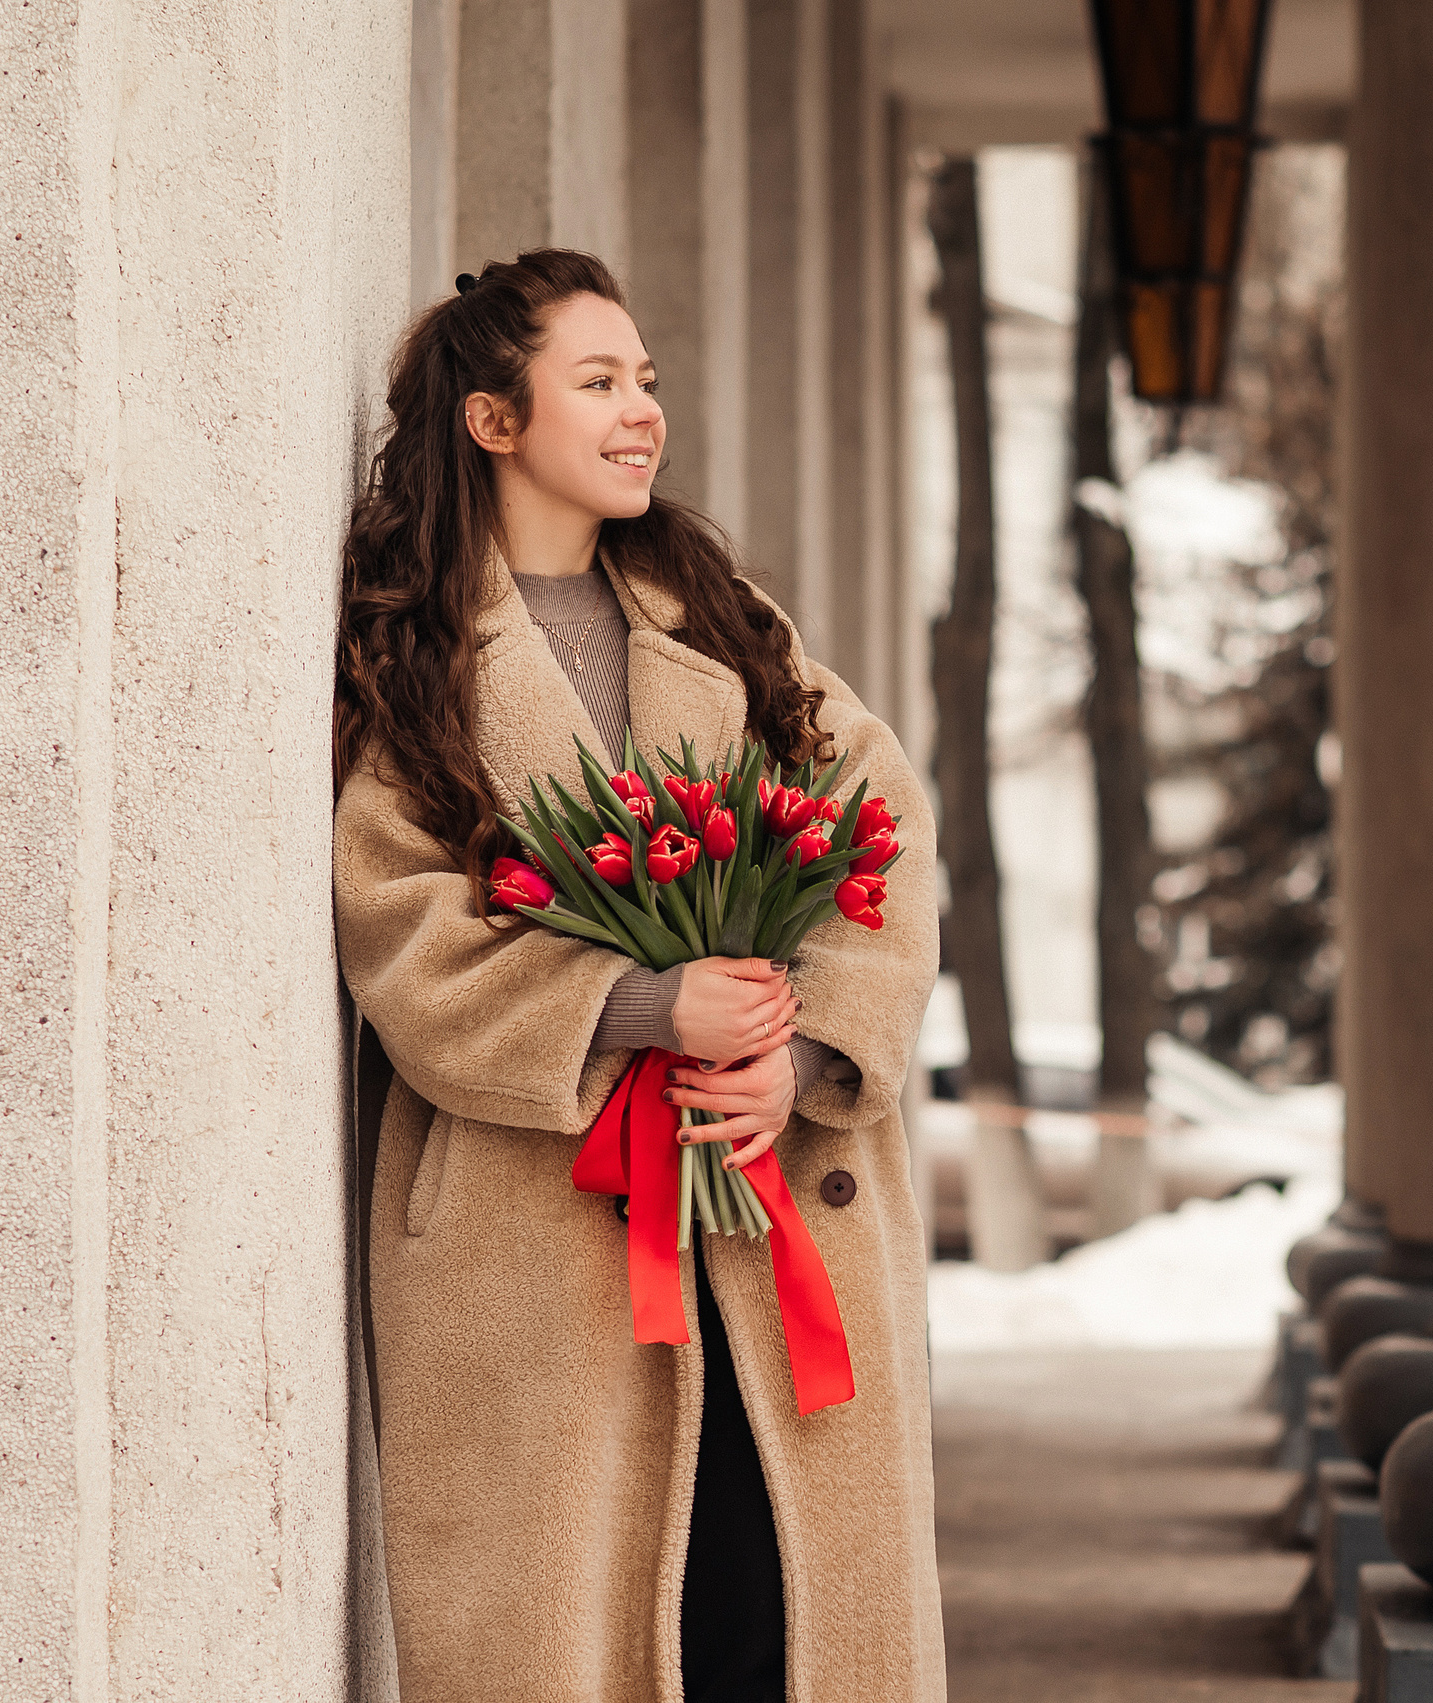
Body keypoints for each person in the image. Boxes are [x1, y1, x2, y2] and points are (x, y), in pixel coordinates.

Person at [331, 248, 944, 1703]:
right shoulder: (417, 657)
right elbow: (397, 922)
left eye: (647, 382)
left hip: (768, 1175)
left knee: (776, 1611)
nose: (640, 412)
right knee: (575, 1627)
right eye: (598, 382)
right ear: (493, 420)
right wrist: (644, 1005)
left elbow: (877, 826)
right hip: (537, 1234)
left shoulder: (715, 614)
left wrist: (799, 1053)